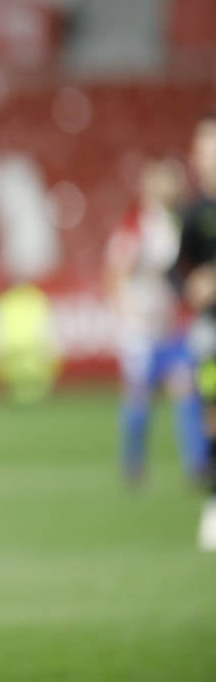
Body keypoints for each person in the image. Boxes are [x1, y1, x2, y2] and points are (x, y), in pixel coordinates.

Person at [105, 158, 205, 487]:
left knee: (186, 388)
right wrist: (127, 313)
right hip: (141, 330)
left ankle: (198, 465)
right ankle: (133, 465)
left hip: (170, 327)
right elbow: (115, 273)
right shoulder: (135, 227)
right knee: (139, 398)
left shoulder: (178, 222)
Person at [173, 113, 216, 551]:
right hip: (211, 332)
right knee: (212, 415)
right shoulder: (195, 213)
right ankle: (214, 502)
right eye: (204, 151)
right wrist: (191, 286)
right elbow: (175, 272)